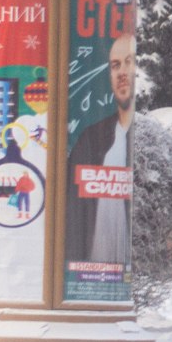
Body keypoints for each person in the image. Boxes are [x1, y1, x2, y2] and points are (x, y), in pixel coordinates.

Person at [67, 32, 136, 268]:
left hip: (120, 273)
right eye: (115, 65)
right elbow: (72, 217)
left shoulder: (138, 141)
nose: (122, 72)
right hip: (85, 271)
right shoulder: (90, 138)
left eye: (130, 61)